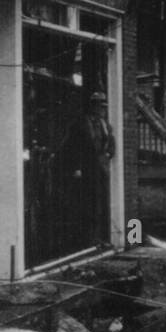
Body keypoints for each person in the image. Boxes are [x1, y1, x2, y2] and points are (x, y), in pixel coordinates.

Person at [60, 91, 116, 247]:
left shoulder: (105, 125)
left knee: (103, 201)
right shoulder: (81, 124)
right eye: (99, 106)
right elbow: (73, 147)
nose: (102, 110)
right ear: (93, 106)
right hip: (87, 168)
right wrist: (77, 167)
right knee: (89, 203)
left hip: (101, 168)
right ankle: (90, 239)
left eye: (104, 107)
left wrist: (108, 154)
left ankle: (103, 236)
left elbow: (111, 142)